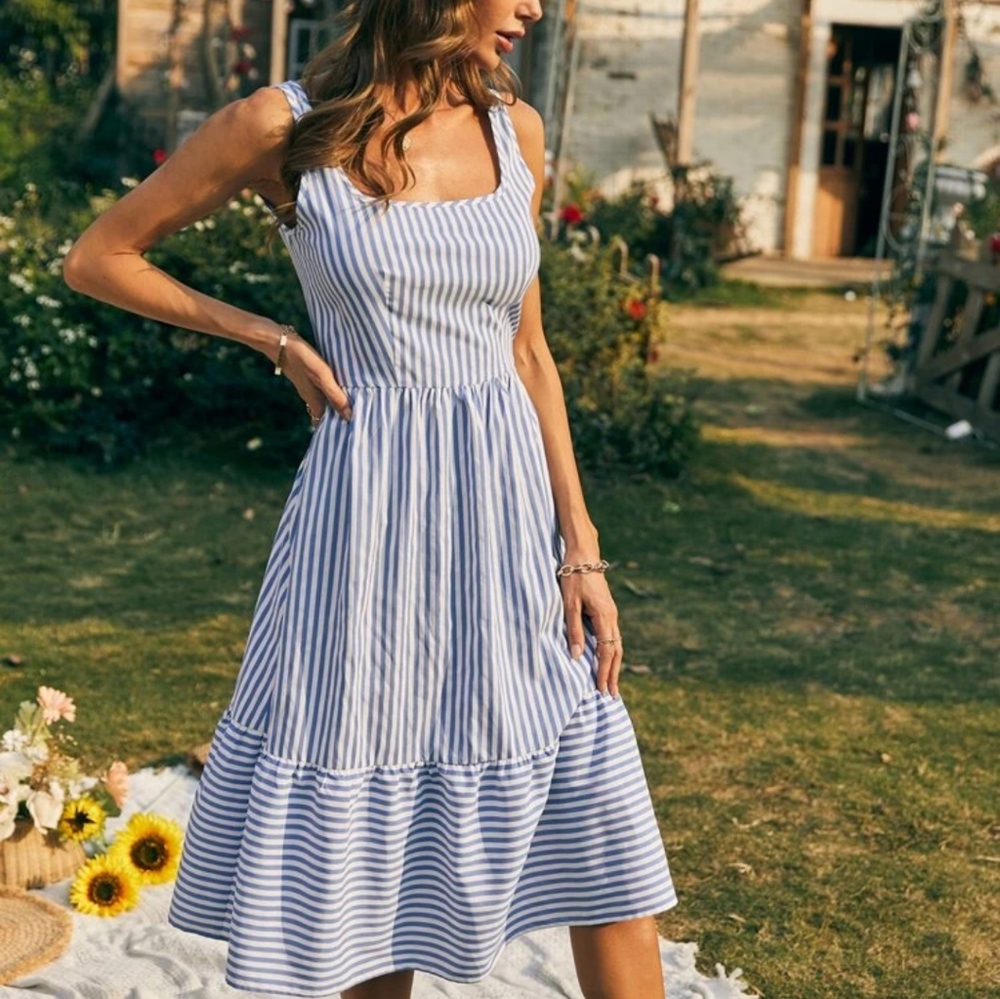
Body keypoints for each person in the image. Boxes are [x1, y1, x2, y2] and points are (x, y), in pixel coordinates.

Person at [63, 1, 677, 996]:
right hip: (367, 528)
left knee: (596, 821)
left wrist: (582, 545)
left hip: (508, 519)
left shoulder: (510, 129)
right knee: (368, 866)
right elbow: (98, 257)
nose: (533, 6)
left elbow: (527, 352)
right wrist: (271, 337)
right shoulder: (280, 126)